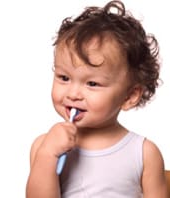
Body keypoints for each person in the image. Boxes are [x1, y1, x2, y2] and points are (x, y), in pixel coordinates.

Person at [26, 0, 168, 197]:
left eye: (92, 83)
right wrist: (47, 156)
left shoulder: (144, 153)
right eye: (64, 78)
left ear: (130, 96)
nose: (73, 94)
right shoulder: (44, 146)